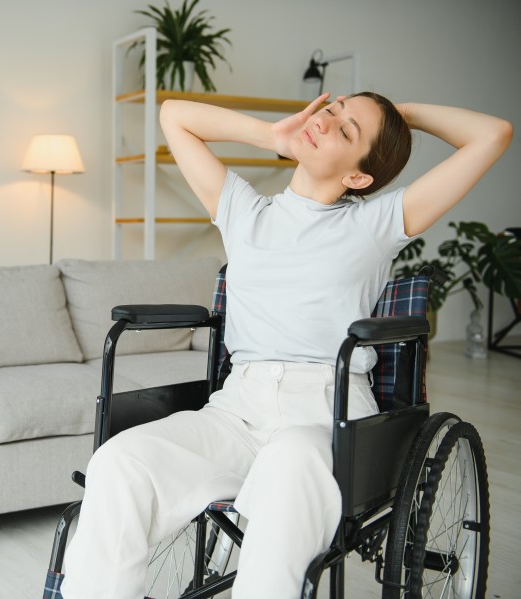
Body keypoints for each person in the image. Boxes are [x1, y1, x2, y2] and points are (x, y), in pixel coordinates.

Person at [59, 91, 512, 599]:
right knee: (120, 463)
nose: (327, 121)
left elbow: (492, 135)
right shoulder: (242, 209)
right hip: (237, 410)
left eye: (346, 131)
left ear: (357, 178)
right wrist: (271, 135)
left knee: (289, 461)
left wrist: (403, 114)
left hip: (323, 413)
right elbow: (173, 116)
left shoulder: (376, 223)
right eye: (333, 109)